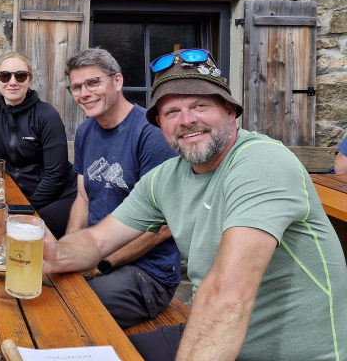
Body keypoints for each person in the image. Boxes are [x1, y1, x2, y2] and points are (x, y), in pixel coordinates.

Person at [44, 48, 347, 361]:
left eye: (200, 106)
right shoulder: (166, 178)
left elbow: (227, 297)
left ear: (230, 110)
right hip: (211, 332)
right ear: (160, 123)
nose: (187, 120)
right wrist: (51, 256)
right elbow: (97, 240)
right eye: (171, 112)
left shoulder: (262, 161)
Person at [64, 48, 179, 328]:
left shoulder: (152, 134)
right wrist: (65, 250)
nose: (84, 93)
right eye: (77, 87)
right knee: (47, 287)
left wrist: (101, 264)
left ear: (117, 81)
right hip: (97, 249)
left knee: (73, 308)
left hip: (147, 272)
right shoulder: (86, 131)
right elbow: (83, 198)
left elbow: (164, 226)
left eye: (93, 83)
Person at [0, 52, 77, 238]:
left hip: (58, 195)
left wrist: (24, 209)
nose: (12, 82)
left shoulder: (46, 114)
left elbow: (56, 175)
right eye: (5, 76)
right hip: (16, 193)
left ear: (30, 80)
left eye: (20, 76)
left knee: (20, 234)